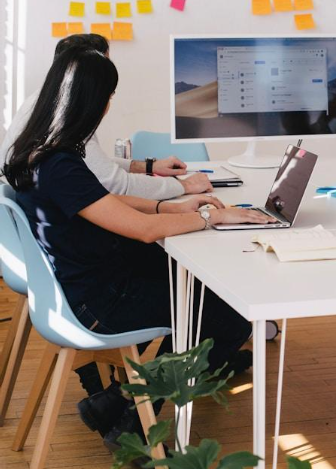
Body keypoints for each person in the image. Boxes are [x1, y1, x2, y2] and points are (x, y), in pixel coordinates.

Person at [3, 46, 272, 452]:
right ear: (95, 101)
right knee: (226, 314)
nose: (111, 106)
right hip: (96, 304)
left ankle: (115, 400)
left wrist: (173, 206)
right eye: (109, 97)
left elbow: (109, 204)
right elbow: (145, 230)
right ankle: (131, 419)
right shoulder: (61, 164)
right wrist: (207, 218)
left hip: (82, 283)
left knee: (196, 288)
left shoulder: (38, 152)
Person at [0, 33, 211, 200]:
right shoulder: (64, 118)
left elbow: (90, 165)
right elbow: (116, 185)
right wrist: (184, 186)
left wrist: (148, 167)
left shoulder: (43, 103)